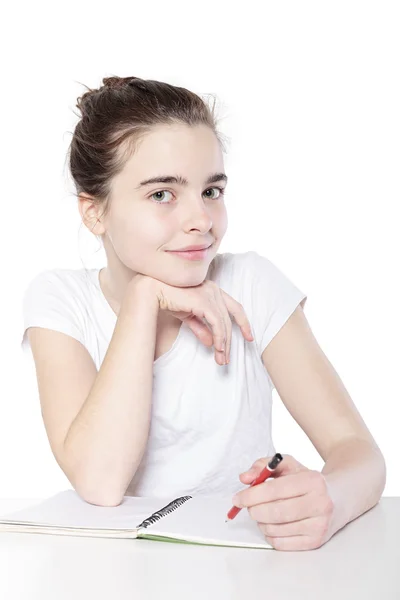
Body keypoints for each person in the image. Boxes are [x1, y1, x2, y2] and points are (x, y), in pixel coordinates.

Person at [21, 75, 386, 551]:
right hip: (113, 572)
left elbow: (360, 455)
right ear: (94, 213)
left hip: (242, 565)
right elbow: (100, 480)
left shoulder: (251, 284)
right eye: (161, 194)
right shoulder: (61, 300)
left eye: (211, 191)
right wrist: (144, 300)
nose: (202, 220)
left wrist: (327, 498)